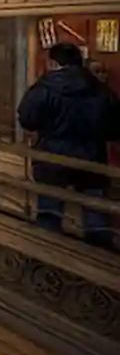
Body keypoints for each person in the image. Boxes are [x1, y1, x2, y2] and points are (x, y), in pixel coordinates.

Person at [17, 43, 120, 247]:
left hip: (53, 157)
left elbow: (27, 119)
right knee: (96, 214)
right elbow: (115, 127)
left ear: (53, 63)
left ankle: (48, 260)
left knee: (50, 211)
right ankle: (98, 266)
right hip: (92, 157)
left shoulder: (44, 88)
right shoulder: (101, 89)